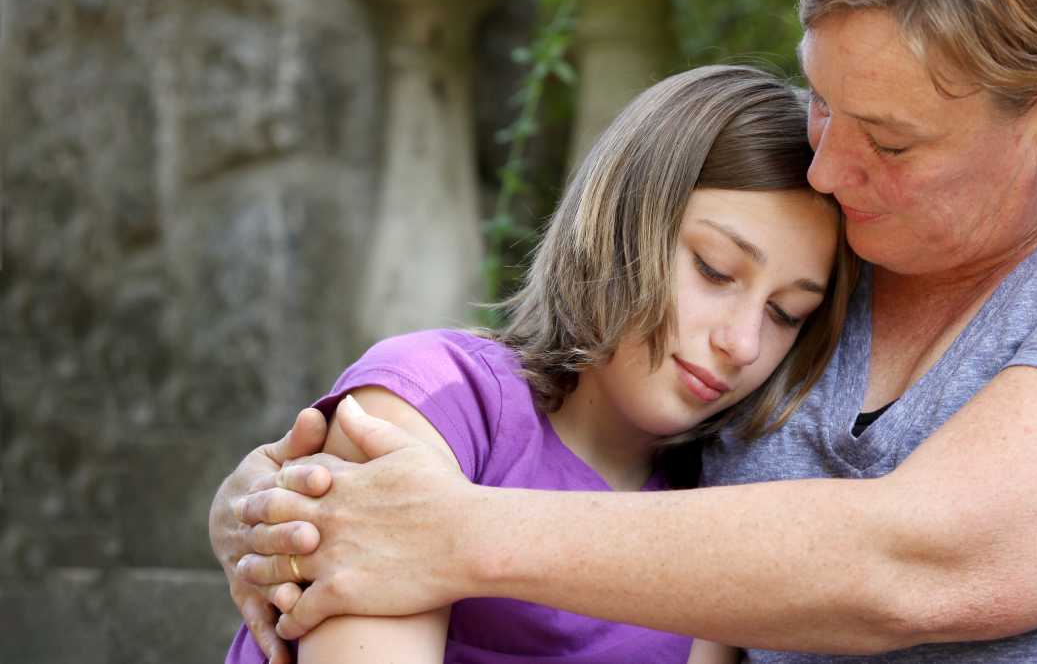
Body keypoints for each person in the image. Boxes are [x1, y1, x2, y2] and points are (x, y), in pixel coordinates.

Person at [213, 0, 1037, 664]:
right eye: (822, 102)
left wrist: (450, 531)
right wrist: (271, 503)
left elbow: (936, 562)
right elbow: (557, 421)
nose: (825, 166)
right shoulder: (825, 248)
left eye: (890, 140)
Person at [218, 64, 853, 664]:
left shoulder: (721, 496)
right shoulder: (436, 397)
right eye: (714, 269)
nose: (742, 344)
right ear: (620, 220)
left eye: (786, 314)